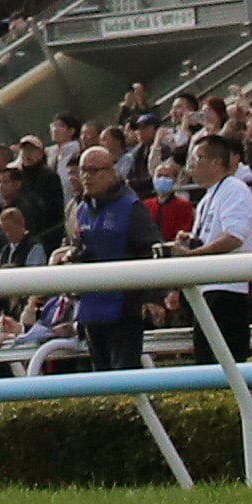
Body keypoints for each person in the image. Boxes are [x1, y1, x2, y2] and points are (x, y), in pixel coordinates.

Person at [66, 143, 152, 374]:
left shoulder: (130, 206)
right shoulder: (81, 210)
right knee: (100, 376)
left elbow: (149, 249)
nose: (87, 176)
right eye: (83, 170)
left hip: (122, 308)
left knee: (124, 375)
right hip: (90, 307)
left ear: (111, 172)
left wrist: (150, 298)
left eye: (94, 170)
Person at [186, 130, 252, 363]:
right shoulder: (207, 197)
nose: (192, 165)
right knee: (205, 360)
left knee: (226, 362)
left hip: (227, 290)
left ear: (216, 163)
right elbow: (208, 237)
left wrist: (192, 255)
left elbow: (234, 237)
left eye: (198, 158)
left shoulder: (234, 188)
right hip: (207, 289)